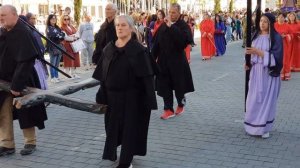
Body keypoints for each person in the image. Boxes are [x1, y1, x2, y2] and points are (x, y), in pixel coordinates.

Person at [93, 15, 157, 168]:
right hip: (112, 97)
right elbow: (103, 74)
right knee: (112, 128)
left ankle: (125, 161)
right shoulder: (109, 48)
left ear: (130, 28)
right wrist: (101, 94)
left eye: (123, 25)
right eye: (117, 25)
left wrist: (149, 99)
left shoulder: (139, 50)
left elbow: (147, 77)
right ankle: (116, 153)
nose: (120, 28)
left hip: (132, 98)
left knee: (130, 128)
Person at [0, 4, 47, 156]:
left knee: (25, 110)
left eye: (3, 15)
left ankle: (30, 142)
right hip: (3, 80)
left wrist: (17, 84)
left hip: (22, 78)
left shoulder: (22, 32)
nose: (0, 18)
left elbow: (26, 60)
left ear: (14, 15)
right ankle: (6, 144)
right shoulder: (3, 32)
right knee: (3, 111)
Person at [152, 3, 194, 120]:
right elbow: (156, 44)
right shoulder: (163, 25)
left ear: (179, 13)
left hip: (178, 62)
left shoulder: (183, 26)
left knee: (179, 86)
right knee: (165, 85)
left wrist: (172, 27)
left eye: (173, 12)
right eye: (170, 12)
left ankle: (181, 104)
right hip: (163, 62)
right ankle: (168, 109)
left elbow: (182, 42)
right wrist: (151, 58)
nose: (171, 14)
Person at [244, 13, 283, 139]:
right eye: (261, 21)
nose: (262, 23)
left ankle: (264, 127)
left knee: (266, 101)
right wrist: (247, 63)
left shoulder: (276, 38)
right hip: (256, 73)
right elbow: (250, 53)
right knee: (253, 98)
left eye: (265, 21)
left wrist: (258, 52)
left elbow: (277, 58)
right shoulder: (255, 35)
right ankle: (252, 125)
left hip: (268, 74)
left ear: (270, 23)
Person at [25, 12, 48, 89]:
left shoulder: (34, 28)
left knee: (42, 76)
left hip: (40, 55)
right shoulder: (28, 29)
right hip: (35, 57)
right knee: (38, 77)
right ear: (28, 19)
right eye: (33, 18)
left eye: (35, 18)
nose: (35, 20)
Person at [45, 14, 65, 83]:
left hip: (59, 46)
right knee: (52, 63)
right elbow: (55, 35)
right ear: (49, 20)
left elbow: (63, 35)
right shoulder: (48, 28)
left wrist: (60, 35)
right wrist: (60, 35)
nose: (54, 20)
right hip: (52, 47)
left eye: (55, 18)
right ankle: (52, 77)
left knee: (57, 63)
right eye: (52, 18)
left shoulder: (57, 27)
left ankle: (56, 76)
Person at [60, 14, 81, 79]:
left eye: (68, 19)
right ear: (62, 20)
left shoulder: (72, 26)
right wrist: (73, 37)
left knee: (75, 59)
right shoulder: (62, 28)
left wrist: (72, 36)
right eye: (65, 19)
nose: (66, 20)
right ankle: (67, 74)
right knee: (68, 59)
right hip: (67, 46)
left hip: (75, 45)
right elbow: (66, 38)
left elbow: (78, 34)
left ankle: (74, 73)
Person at [275, 13, 292, 80]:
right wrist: (279, 36)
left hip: (285, 45)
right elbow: (271, 35)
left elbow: (291, 35)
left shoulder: (287, 26)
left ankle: (286, 74)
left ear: (284, 18)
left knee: (285, 59)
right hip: (276, 45)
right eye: (279, 17)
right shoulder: (274, 25)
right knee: (277, 59)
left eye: (282, 17)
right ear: (277, 18)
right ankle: (278, 74)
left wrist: (286, 36)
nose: (281, 18)